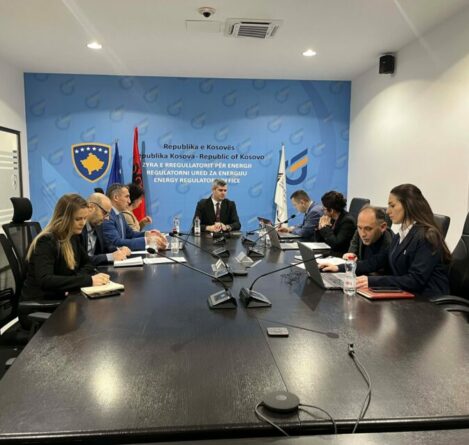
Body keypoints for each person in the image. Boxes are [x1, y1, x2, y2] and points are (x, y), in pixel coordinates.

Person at [356, 184, 451, 297]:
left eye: (392, 205)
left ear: (408, 205)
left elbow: (415, 280)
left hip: (429, 301)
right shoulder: (399, 236)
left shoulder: (428, 236)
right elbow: (376, 261)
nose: (388, 211)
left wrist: (372, 281)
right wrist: (342, 267)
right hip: (407, 297)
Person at [21, 194, 111, 307]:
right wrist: (88, 280)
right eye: (78, 219)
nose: (83, 223)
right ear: (63, 218)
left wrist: (75, 282)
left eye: (84, 218)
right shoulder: (46, 241)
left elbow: (88, 264)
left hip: (63, 296)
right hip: (42, 302)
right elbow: (45, 280)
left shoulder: (74, 237)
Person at [320, 206, 393, 274]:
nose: (363, 234)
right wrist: (350, 255)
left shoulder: (390, 243)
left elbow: (371, 265)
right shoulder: (359, 232)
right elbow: (352, 252)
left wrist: (338, 267)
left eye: (368, 229)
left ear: (382, 227)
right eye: (359, 227)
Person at [102, 183, 167, 251]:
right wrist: (147, 241)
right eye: (127, 197)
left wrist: (148, 234)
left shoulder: (119, 214)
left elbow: (131, 234)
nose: (129, 201)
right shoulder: (107, 216)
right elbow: (116, 243)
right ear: (116, 197)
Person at [82, 192, 131, 265]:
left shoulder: (98, 225)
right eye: (105, 213)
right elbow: (81, 260)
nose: (107, 218)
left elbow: (106, 247)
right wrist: (110, 257)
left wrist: (119, 250)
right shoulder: (77, 228)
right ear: (91, 207)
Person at [316, 191, 356, 257]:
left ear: (331, 210)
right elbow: (319, 241)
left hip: (341, 255)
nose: (323, 211)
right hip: (330, 252)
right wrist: (319, 228)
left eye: (324, 209)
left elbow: (336, 244)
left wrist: (325, 228)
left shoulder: (347, 222)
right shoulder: (331, 218)